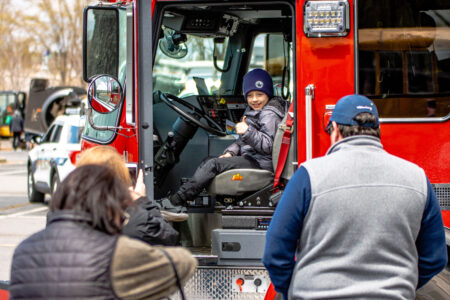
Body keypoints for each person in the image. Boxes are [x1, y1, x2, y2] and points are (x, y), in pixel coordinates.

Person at [262, 94, 447, 299]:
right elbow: (435, 258)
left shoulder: (308, 176)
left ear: (335, 130)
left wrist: (292, 291)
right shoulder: (417, 178)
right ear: (378, 132)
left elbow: (275, 252)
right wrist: (401, 286)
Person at [9, 164, 197, 299]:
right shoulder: (116, 252)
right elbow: (185, 263)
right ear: (108, 206)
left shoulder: (23, 251)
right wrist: (141, 202)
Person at [160, 68, 287, 212]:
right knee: (208, 161)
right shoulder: (254, 110)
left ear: (268, 94)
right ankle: (184, 203)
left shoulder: (269, 114)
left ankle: (176, 201)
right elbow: (242, 142)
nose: (255, 99)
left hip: (261, 163)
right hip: (254, 157)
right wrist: (230, 153)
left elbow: (269, 146)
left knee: (212, 165)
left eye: (260, 94)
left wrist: (247, 131)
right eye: (250, 95)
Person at [76, 146, 184, 246]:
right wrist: (142, 201)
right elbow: (169, 237)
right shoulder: (134, 223)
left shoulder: (66, 221)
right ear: (121, 179)